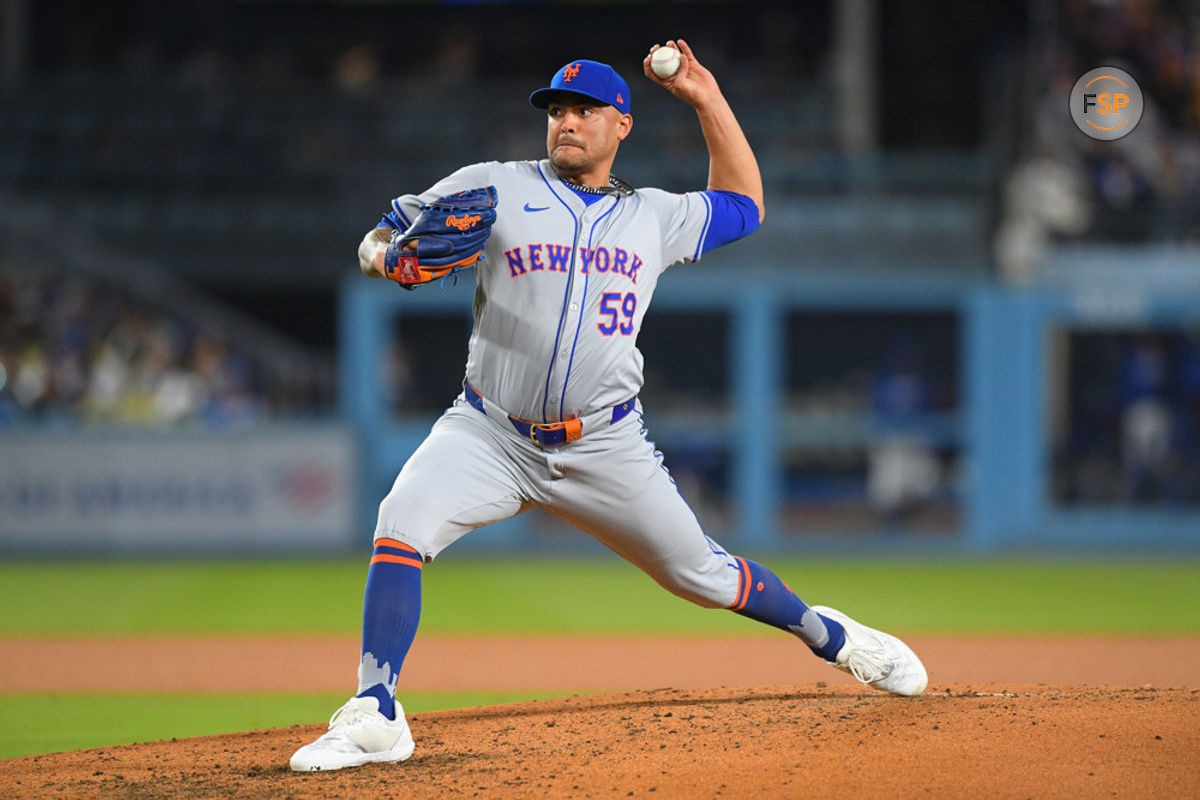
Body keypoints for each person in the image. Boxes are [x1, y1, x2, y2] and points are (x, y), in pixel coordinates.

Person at [290, 41, 927, 773]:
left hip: (605, 444)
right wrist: (382, 255)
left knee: (704, 577)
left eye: (585, 110)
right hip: (489, 431)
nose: (566, 121)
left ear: (620, 124)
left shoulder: (653, 217)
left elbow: (747, 205)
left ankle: (836, 638)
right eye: (556, 109)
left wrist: (706, 98)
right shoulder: (495, 184)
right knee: (400, 521)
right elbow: (385, 229)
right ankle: (377, 711)